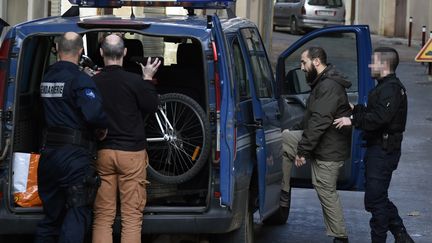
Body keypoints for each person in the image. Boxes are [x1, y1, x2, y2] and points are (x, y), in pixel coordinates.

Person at [334, 47, 414, 243]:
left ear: (384, 65)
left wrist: (352, 121)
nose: (370, 65)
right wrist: (356, 110)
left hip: (384, 150)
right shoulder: (383, 86)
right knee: (376, 198)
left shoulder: (392, 88)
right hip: (378, 148)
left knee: (375, 200)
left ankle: (384, 238)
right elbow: (373, 112)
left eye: (373, 61)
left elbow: (380, 118)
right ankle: (401, 235)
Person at [35, 32, 108, 243]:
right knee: (77, 212)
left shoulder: (46, 78)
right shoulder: (79, 79)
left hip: (48, 156)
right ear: (81, 50)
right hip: (73, 157)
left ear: (57, 49)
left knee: (51, 217)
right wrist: (102, 128)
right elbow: (94, 114)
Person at [91, 34, 160, 243]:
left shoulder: (92, 82)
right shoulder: (135, 81)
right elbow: (151, 106)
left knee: (103, 217)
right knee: (131, 217)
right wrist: (148, 78)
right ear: (125, 53)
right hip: (131, 155)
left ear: (102, 53)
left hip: (103, 153)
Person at [280, 46, 351, 243]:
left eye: (304, 62)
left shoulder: (328, 86)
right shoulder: (321, 83)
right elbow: (310, 117)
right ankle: (283, 196)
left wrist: (302, 151)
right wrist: (292, 130)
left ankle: (340, 236)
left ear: (316, 61)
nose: (301, 67)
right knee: (283, 141)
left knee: (325, 191)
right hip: (322, 142)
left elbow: (319, 122)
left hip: (329, 148)